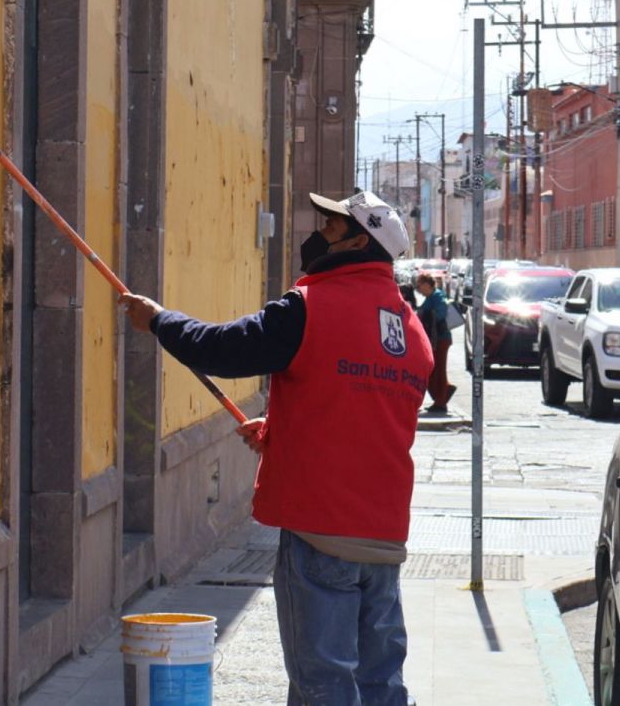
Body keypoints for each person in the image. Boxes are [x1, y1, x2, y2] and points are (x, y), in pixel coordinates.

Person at [121, 191, 433, 706]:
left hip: (321, 532)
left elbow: (222, 349)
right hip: (383, 537)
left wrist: (159, 320)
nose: (318, 236)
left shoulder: (309, 308)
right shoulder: (411, 328)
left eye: (332, 228)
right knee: (380, 685)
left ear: (360, 241)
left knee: (323, 685)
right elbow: (366, 413)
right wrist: (280, 431)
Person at [414, 273, 455, 414]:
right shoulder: (430, 297)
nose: (418, 289)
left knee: (439, 371)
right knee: (432, 371)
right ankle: (443, 394)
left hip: (441, 338)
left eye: (419, 285)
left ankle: (441, 402)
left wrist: (424, 315)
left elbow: (440, 313)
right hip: (434, 339)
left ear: (427, 284)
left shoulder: (437, 296)